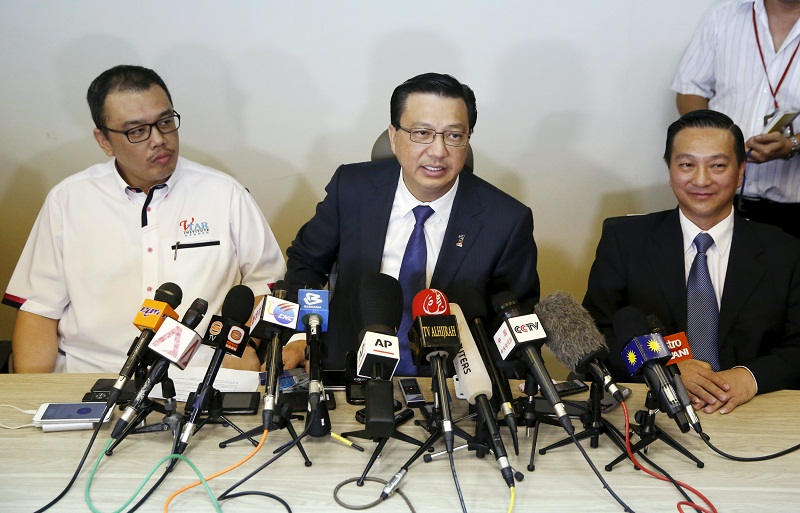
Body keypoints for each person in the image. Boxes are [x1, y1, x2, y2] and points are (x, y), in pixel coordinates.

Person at [2, 65, 286, 373]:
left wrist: (241, 347)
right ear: (104, 141)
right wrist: (32, 399)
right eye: (137, 131)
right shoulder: (68, 200)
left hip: (202, 376)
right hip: (92, 375)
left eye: (165, 122)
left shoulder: (224, 193)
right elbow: (39, 310)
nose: (159, 139)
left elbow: (268, 285)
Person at [282, 72, 539, 375]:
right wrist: (301, 335)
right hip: (347, 369)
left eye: (454, 135)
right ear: (393, 136)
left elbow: (512, 323)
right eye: (421, 133)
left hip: (451, 384)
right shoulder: (351, 189)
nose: (438, 151)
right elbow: (306, 263)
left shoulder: (506, 220)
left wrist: (490, 388)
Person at [583, 110, 800, 414]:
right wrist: (665, 366)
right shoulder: (626, 241)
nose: (701, 179)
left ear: (740, 172)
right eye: (687, 165)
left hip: (751, 411)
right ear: (670, 171)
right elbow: (596, 336)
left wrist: (750, 378)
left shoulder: (785, 250)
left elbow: (796, 347)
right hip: (654, 412)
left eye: (718, 166)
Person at [672, 0, 800, 238]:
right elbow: (691, 90)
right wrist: (716, 145)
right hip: (718, 201)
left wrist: (792, 145)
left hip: (793, 210)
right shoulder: (724, 16)